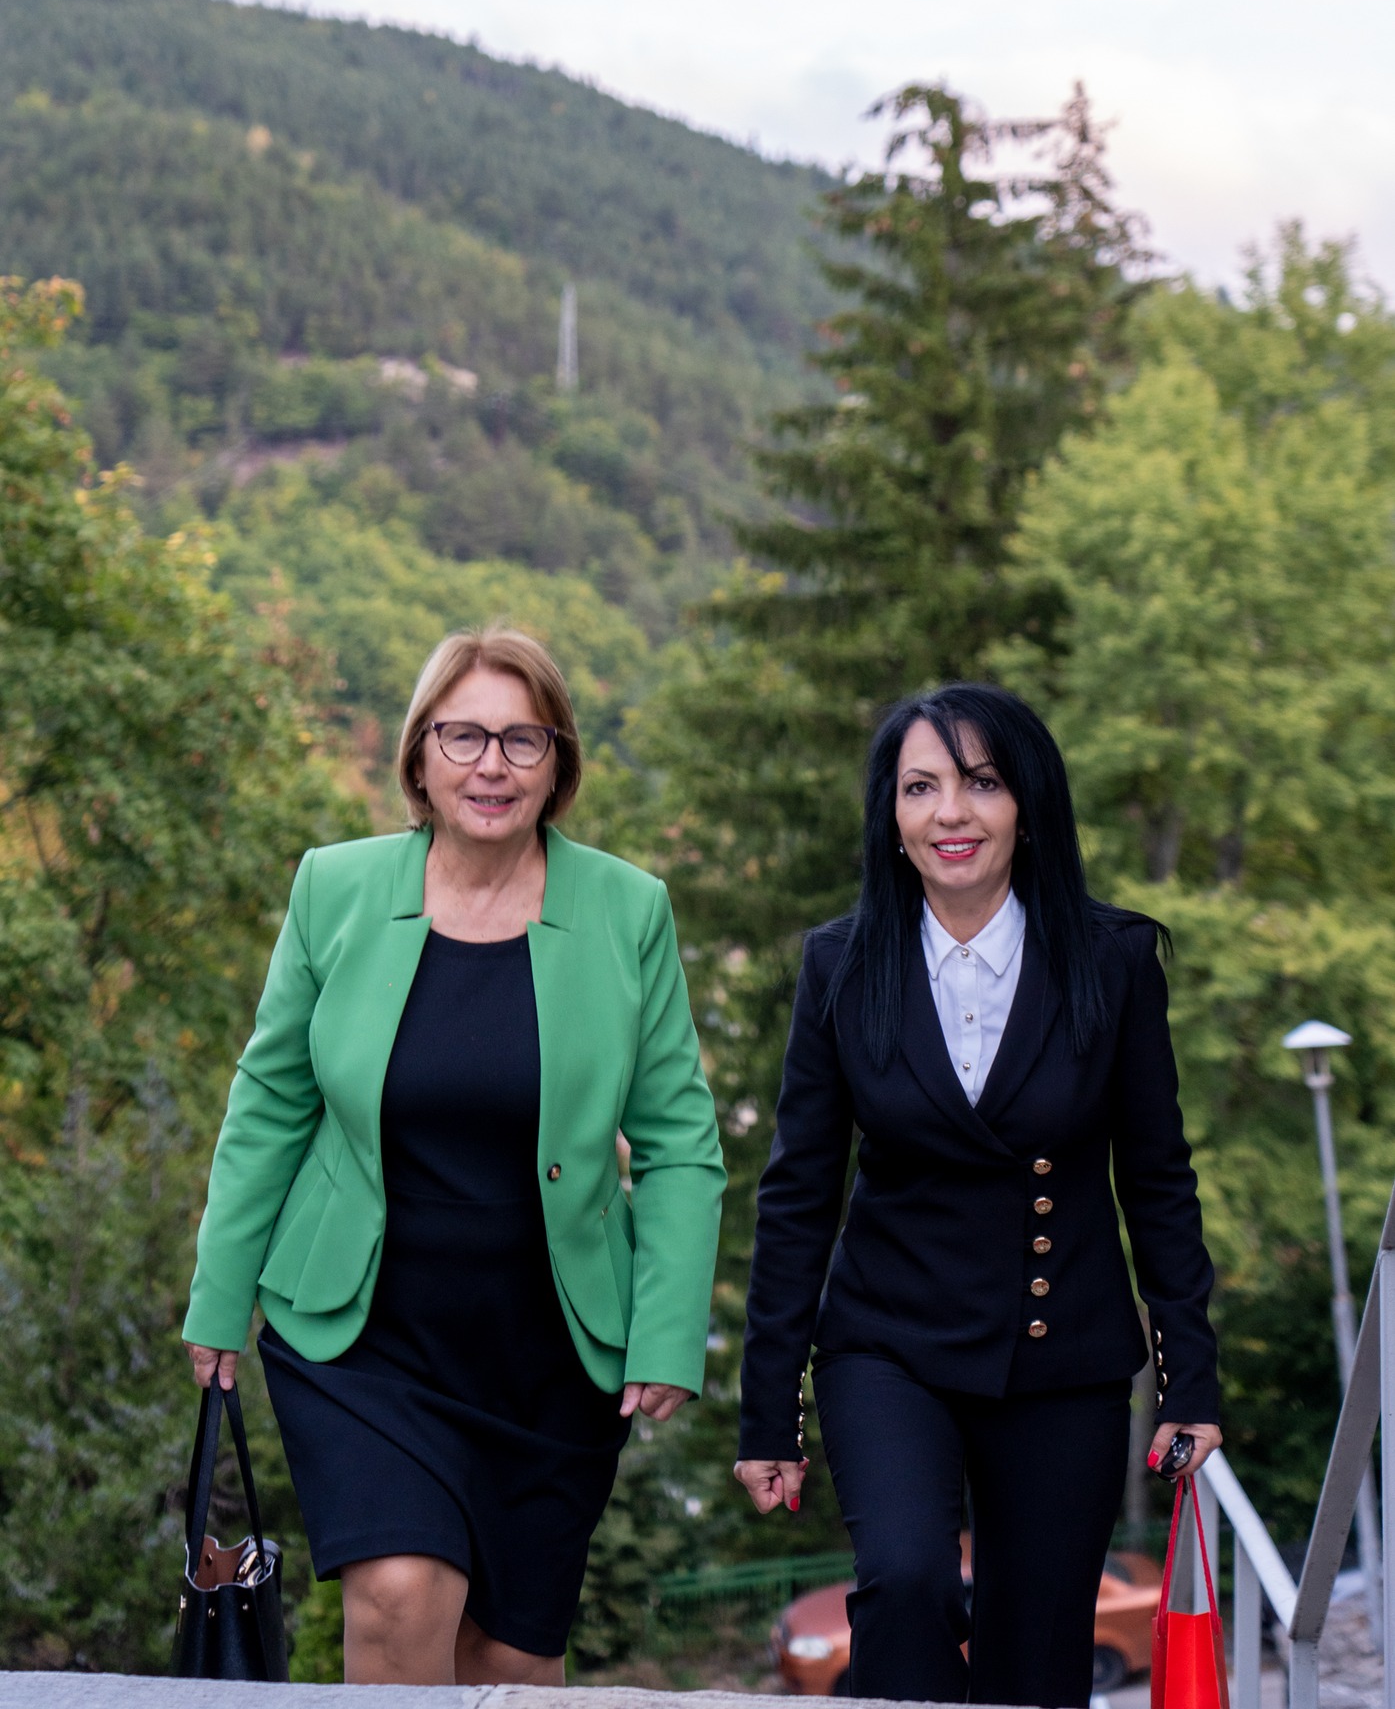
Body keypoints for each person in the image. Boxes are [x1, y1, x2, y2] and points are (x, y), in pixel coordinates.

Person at [184, 627, 725, 1687]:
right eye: (464, 735)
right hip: (363, 1332)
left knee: (509, 1662)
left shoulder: (628, 909)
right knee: (398, 1595)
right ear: (419, 756)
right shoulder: (334, 888)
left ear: (558, 765)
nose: (492, 764)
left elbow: (679, 1141)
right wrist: (219, 1291)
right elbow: (271, 1101)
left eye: (524, 740)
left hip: (550, 1352)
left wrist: (667, 1331)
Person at [734, 682, 1220, 1709]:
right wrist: (768, 1412)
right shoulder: (839, 965)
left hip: (1063, 1351)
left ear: (1027, 804)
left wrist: (1191, 1377)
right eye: (920, 787)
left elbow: (1157, 1176)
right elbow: (799, 1193)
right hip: (889, 1345)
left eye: (981, 782)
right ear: (891, 815)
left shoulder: (1113, 959)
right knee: (905, 1582)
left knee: (1036, 1656)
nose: (949, 812)